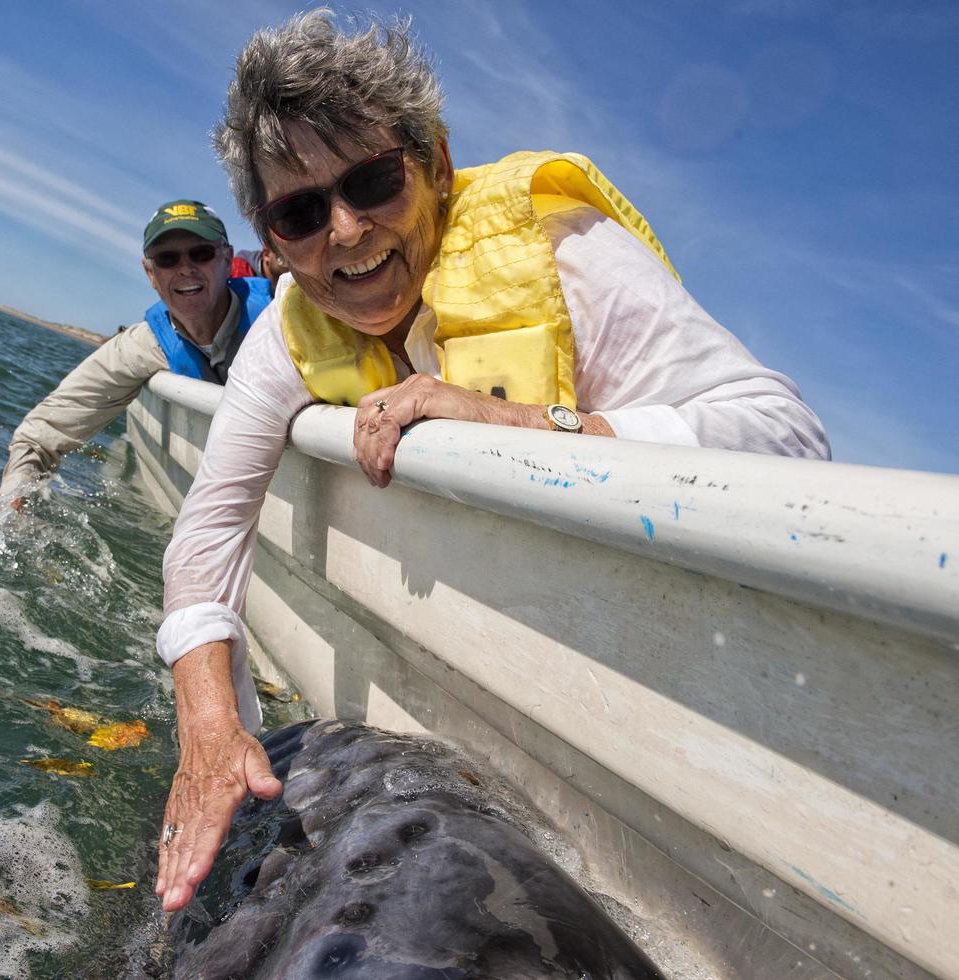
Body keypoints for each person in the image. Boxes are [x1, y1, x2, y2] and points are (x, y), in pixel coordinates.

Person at [152, 12, 830, 912]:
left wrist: (499, 418)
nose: (346, 233)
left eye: (373, 181)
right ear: (269, 236)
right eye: (301, 212)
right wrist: (209, 727)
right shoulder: (289, 329)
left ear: (433, 164)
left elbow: (785, 434)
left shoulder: (570, 258)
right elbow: (207, 531)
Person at [0, 200, 271, 505]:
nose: (185, 269)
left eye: (201, 253)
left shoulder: (283, 319)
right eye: (167, 259)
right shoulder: (144, 345)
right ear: (150, 273)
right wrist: (13, 504)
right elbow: (40, 434)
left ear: (227, 258)